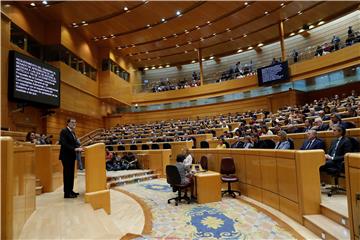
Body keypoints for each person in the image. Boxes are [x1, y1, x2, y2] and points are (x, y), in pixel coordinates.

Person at [59, 118, 83, 198]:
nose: (74, 123)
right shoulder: (64, 131)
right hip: (66, 156)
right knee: (67, 174)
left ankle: (71, 191)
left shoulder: (72, 132)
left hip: (72, 156)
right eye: (72, 122)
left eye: (75, 122)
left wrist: (79, 147)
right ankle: (67, 193)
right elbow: (63, 143)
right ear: (68, 123)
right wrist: (74, 149)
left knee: (71, 175)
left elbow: (74, 143)